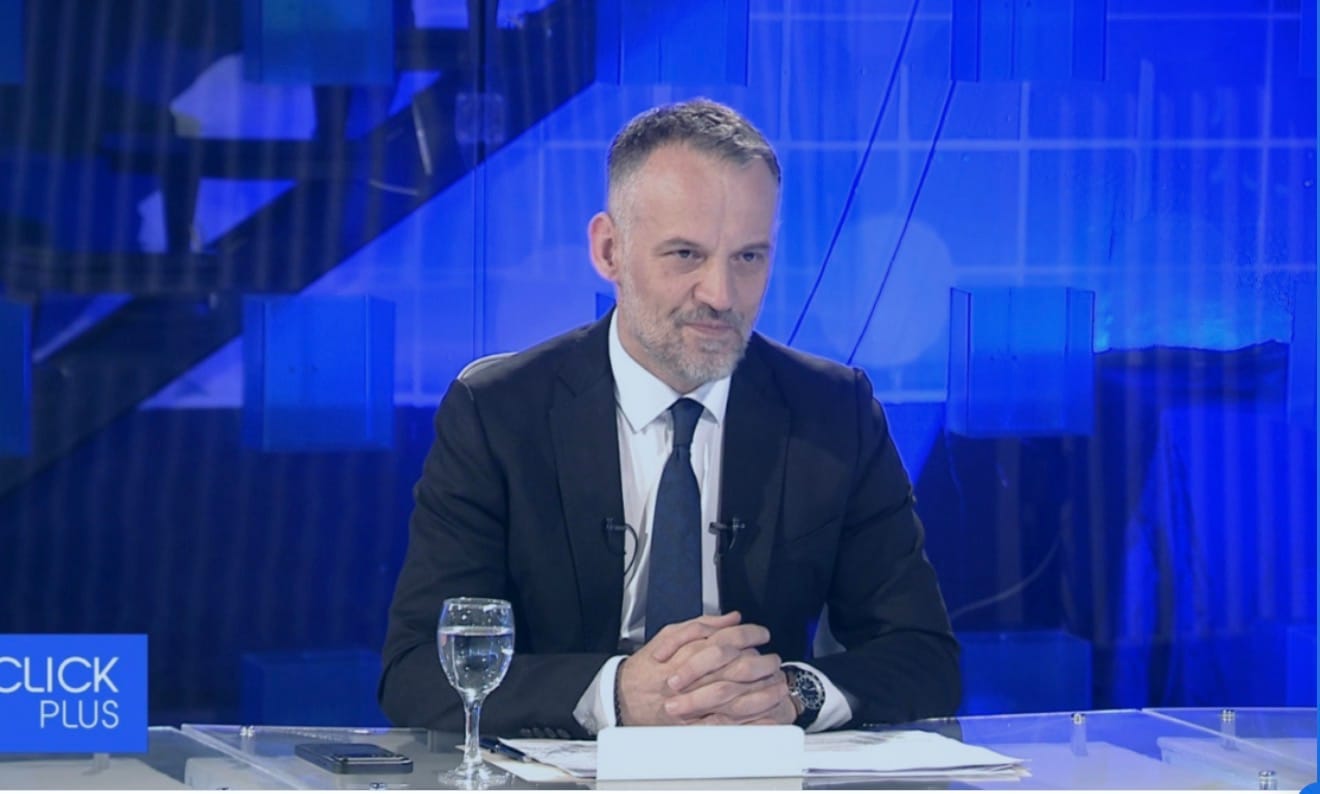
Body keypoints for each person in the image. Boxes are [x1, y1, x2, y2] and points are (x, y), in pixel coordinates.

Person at [379, 98, 960, 739]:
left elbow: (924, 657)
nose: (721, 295)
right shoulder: (498, 414)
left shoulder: (833, 412)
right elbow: (418, 672)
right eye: (686, 254)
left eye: (749, 257)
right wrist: (616, 694)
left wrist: (790, 693)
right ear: (609, 250)